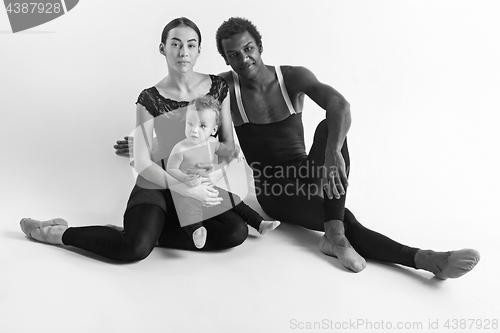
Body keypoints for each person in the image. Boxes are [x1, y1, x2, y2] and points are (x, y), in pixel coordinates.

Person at [114, 17, 480, 279]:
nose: (245, 59)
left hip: (309, 170)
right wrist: (143, 138)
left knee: (330, 126)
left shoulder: (293, 77)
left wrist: (333, 151)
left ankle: (334, 235)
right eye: (234, 55)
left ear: (260, 46)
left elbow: (341, 106)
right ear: (225, 60)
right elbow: (192, 116)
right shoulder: (224, 88)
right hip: (276, 190)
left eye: (249, 49)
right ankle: (426, 259)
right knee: (346, 219)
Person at [19, 17, 249, 262]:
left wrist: (205, 175)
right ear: (163, 48)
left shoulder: (218, 87)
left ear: (199, 50)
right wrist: (183, 185)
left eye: (191, 45)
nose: (184, 52)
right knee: (134, 249)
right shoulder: (148, 98)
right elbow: (142, 162)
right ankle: (56, 232)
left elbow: (228, 145)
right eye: (176, 44)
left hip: (195, 181)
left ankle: (150, 233)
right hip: (158, 183)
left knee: (235, 232)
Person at [166, 95, 280, 248]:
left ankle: (259, 223)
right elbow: (170, 169)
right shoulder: (181, 148)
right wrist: (185, 178)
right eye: (190, 124)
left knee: (235, 200)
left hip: (209, 188)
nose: (194, 130)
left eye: (202, 126)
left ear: (213, 130)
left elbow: (227, 150)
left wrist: (236, 152)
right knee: (189, 208)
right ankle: (196, 231)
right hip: (187, 191)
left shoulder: (213, 143)